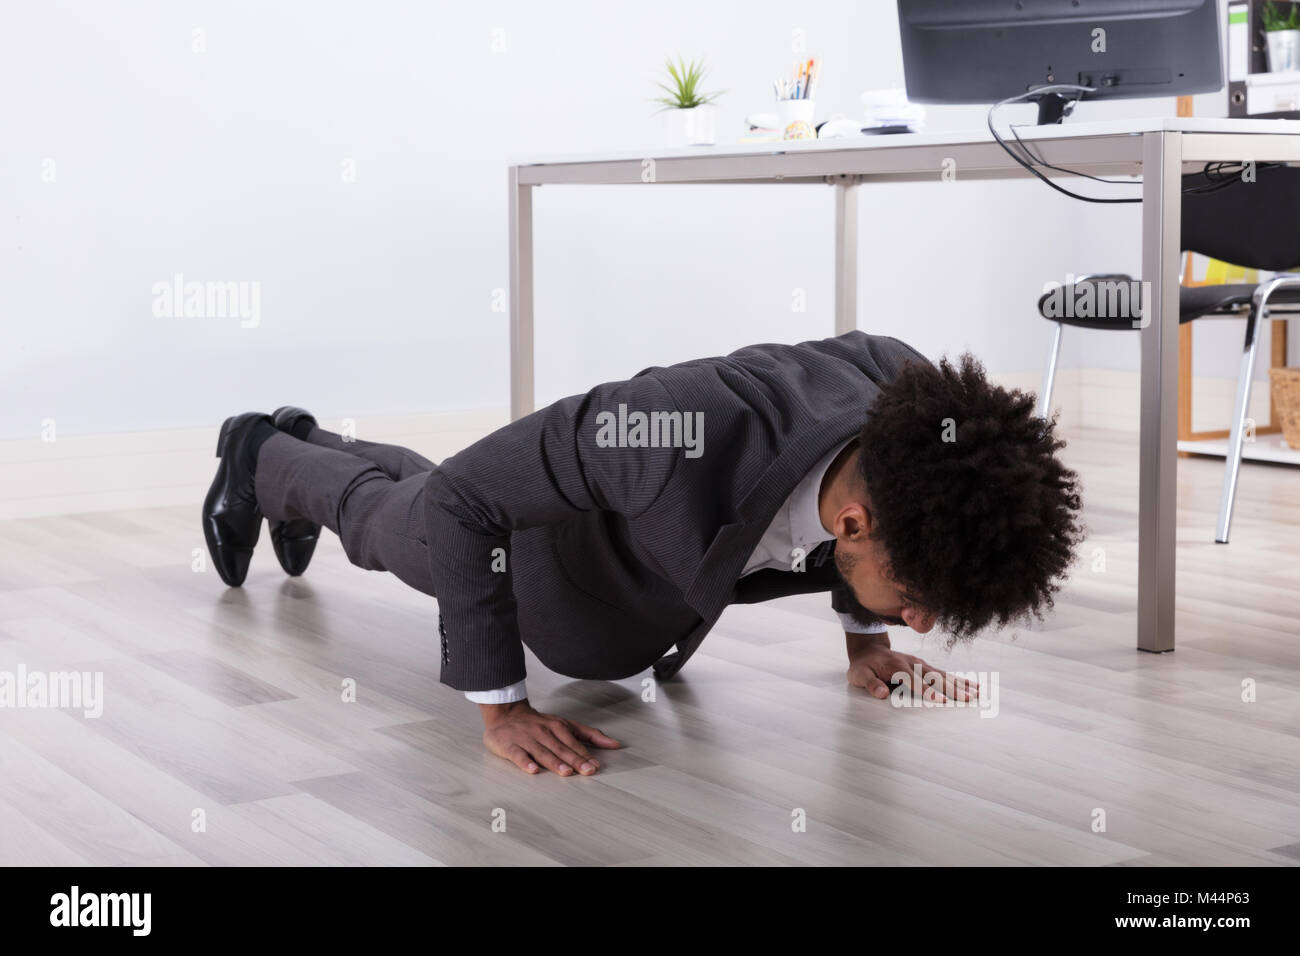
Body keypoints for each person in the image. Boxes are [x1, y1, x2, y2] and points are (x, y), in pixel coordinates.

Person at [202, 332, 1083, 777]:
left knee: (411, 493)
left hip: (634, 600)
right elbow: (470, 495)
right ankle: (261, 456)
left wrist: (870, 639)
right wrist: (502, 713)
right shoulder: (668, 431)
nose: (926, 620)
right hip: (538, 560)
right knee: (391, 522)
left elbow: (893, 514)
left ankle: (302, 437)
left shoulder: (909, 418)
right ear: (854, 525)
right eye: (920, 596)